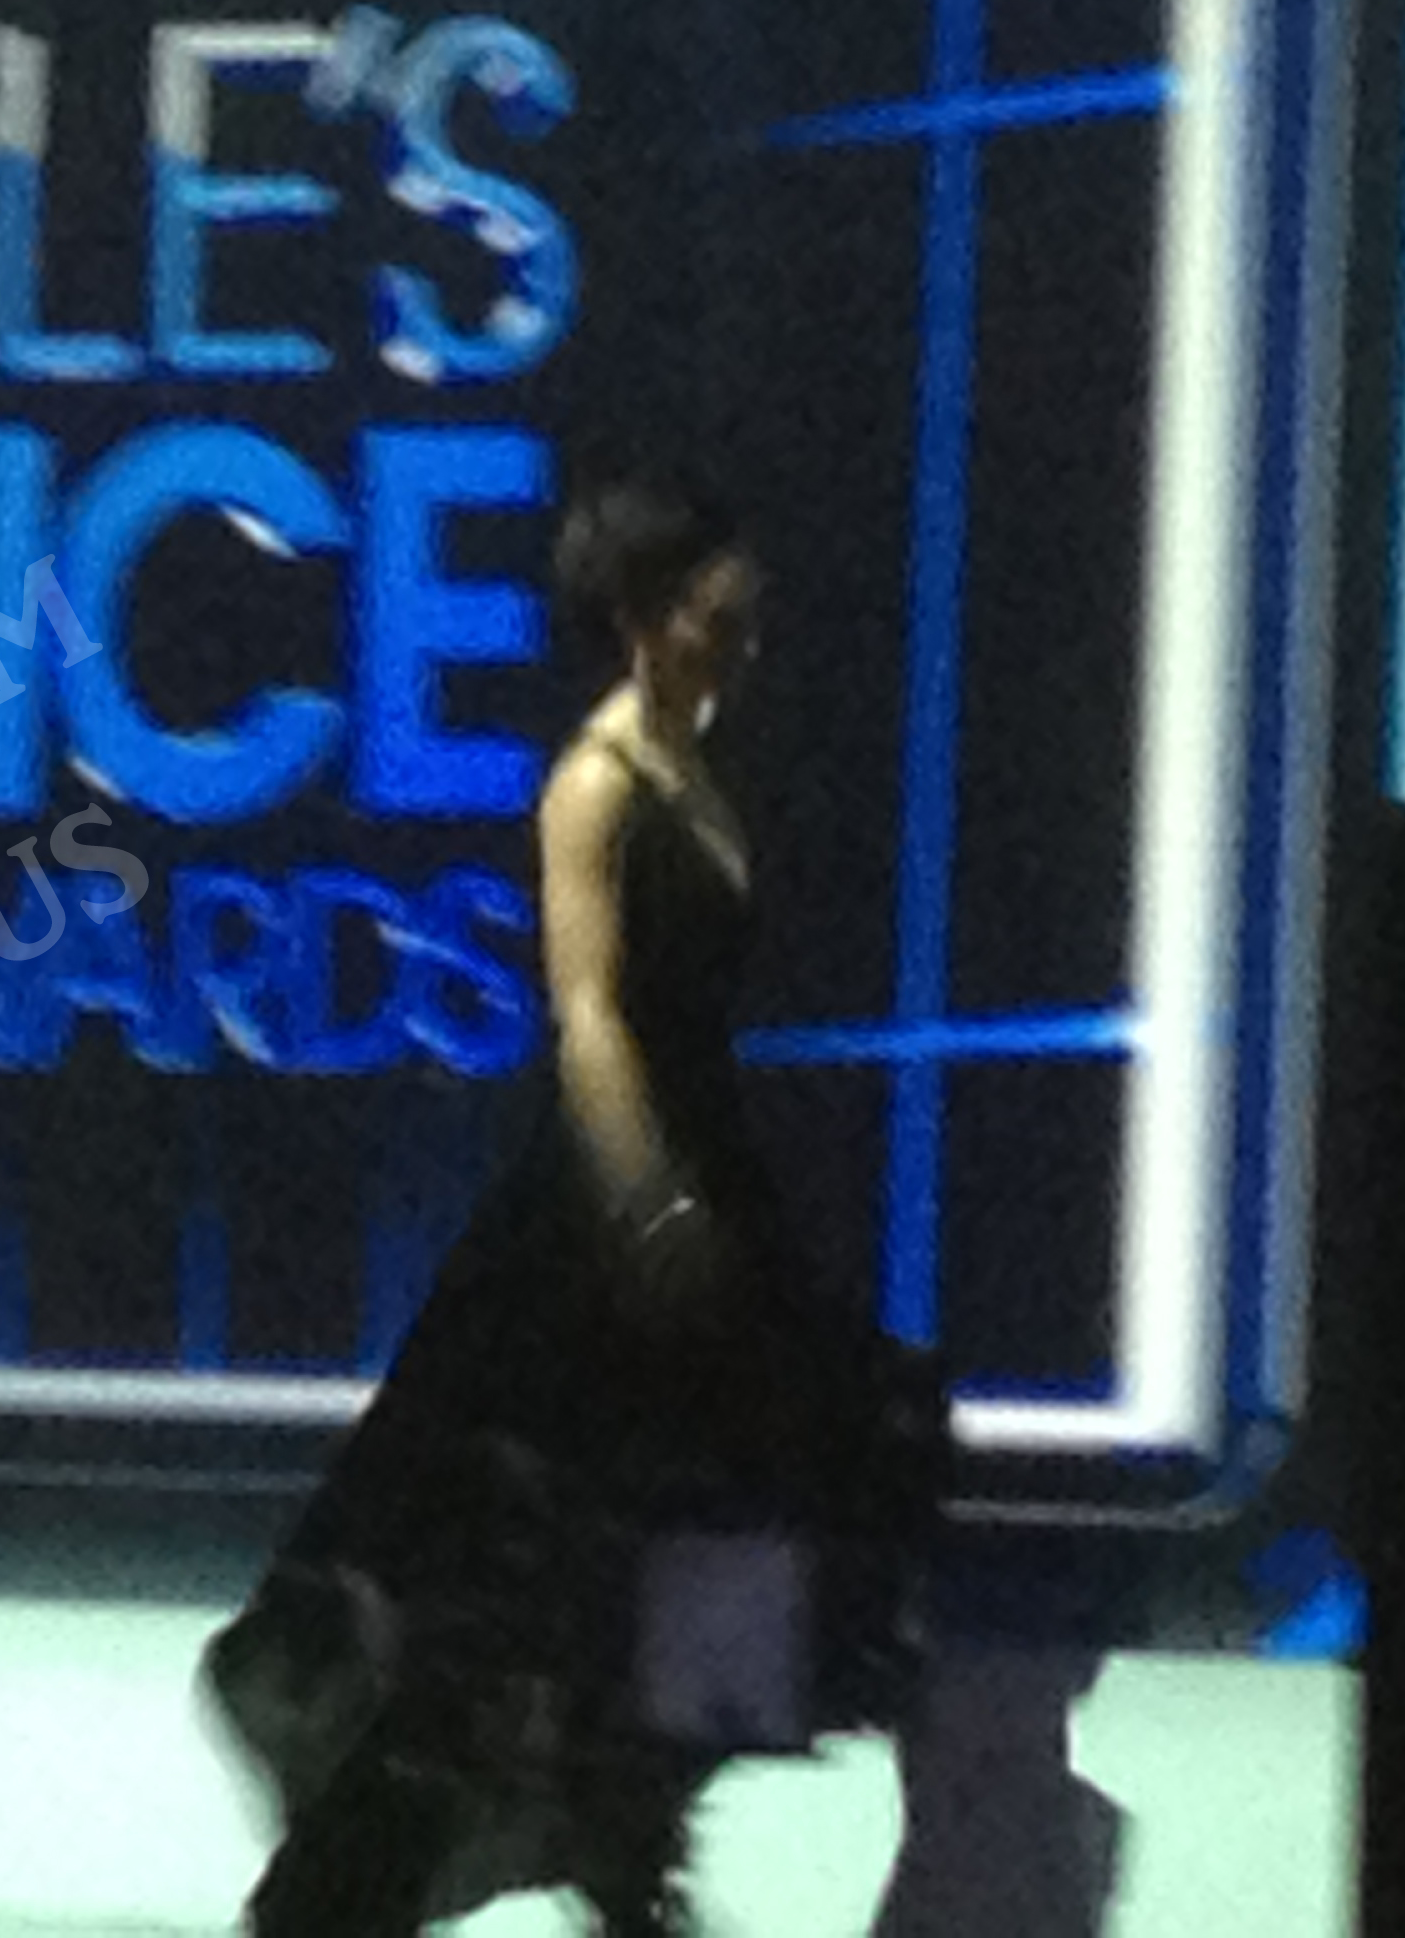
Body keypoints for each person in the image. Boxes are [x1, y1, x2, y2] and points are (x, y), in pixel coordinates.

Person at [209, 473, 946, 1938]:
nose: (741, 642)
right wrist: (646, 1200)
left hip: (711, 1166)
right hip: (611, 1200)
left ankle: (629, 1847)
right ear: (642, 616)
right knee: (527, 1561)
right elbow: (592, 1013)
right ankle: (373, 1881)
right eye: (716, 615)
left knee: (710, 1535)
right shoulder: (598, 783)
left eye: (746, 618)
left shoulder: (697, 769)